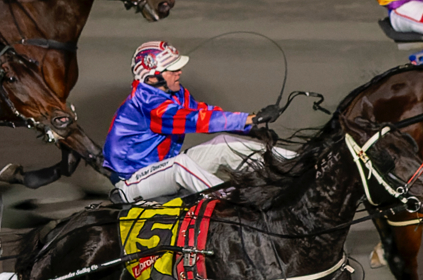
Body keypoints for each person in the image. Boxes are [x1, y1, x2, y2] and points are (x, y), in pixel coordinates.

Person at [103, 40, 294, 204]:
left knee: (223, 143)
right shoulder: (146, 103)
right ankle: (235, 204)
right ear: (152, 77)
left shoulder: (175, 92)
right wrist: (248, 118)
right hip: (132, 182)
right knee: (181, 165)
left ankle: (298, 164)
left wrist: (250, 128)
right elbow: (194, 120)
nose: (179, 72)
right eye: (172, 70)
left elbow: (205, 113)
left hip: (159, 170)